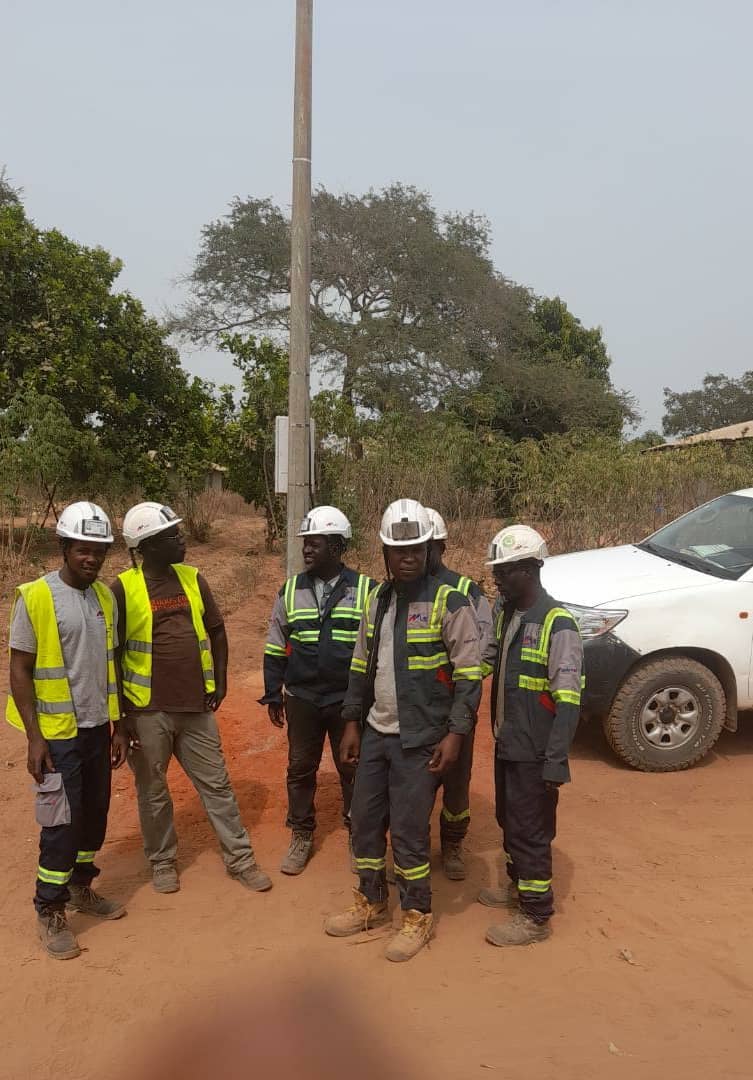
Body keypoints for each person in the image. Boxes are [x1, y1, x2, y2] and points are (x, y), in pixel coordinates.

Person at [324, 499, 482, 962]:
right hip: (377, 732)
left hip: (423, 738)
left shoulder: (451, 601)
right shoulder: (378, 598)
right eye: (398, 550)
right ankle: (371, 901)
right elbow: (360, 665)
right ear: (385, 553)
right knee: (365, 824)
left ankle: (417, 915)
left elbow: (469, 677)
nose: (408, 557)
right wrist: (352, 722)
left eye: (416, 548)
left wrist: (454, 735)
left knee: (411, 833)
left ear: (430, 549)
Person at [112, 502, 271, 895]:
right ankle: (162, 862)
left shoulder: (193, 579)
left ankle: (240, 859)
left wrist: (219, 681)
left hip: (195, 707)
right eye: (172, 536)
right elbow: (112, 656)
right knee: (153, 791)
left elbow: (216, 631)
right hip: (146, 711)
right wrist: (120, 716)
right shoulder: (121, 589)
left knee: (216, 785)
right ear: (147, 546)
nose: (182, 541)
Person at [7, 501, 129, 960]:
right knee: (60, 824)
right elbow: (19, 668)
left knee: (94, 816)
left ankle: (81, 888)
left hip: (98, 729)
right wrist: (35, 738)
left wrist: (118, 725)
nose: (92, 559)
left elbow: (110, 665)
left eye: (99, 550)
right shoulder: (35, 597)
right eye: (83, 549)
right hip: (58, 735)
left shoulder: (103, 598)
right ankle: (49, 909)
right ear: (63, 548)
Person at [478, 524, 583, 946]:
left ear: (529, 568)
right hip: (508, 742)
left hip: (536, 752)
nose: (497, 579)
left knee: (531, 830)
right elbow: (489, 663)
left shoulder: (559, 625)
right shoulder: (506, 614)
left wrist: (556, 760)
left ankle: (535, 915)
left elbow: (569, 700)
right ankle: (517, 884)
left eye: (504, 572)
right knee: (508, 821)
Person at [260, 506, 375, 874]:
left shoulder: (367, 590)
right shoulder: (290, 590)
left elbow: (375, 649)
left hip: (347, 700)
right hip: (303, 698)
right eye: (305, 544)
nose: (307, 550)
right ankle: (301, 833)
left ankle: (359, 833)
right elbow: (276, 643)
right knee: (300, 767)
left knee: (353, 767)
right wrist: (273, 692)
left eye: (316, 543)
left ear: (338, 546)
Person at [425, 507, 495, 881]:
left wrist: (457, 687)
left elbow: (485, 650)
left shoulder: (466, 591)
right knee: (413, 782)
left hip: (456, 708)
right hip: (415, 709)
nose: (422, 553)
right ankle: (413, 848)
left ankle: (452, 844)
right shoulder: (401, 592)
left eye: (430, 546)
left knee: (456, 783)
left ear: (441, 546)